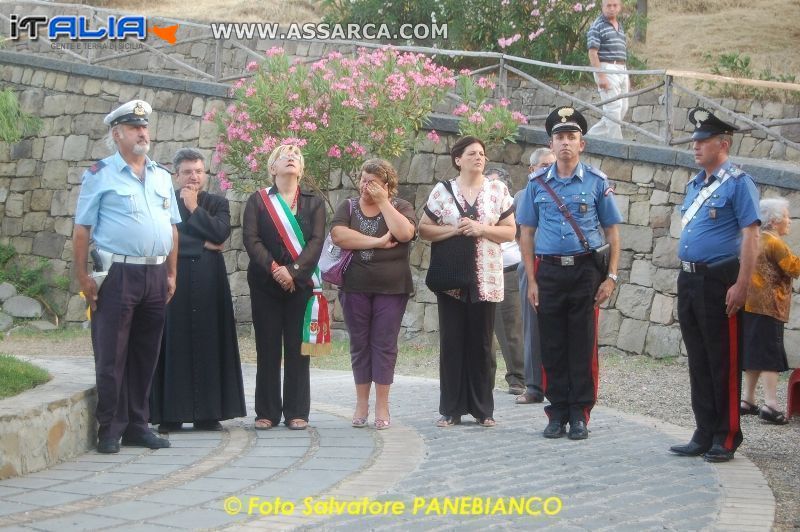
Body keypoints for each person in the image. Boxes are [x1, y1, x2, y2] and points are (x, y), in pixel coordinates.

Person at [73, 100, 180, 453]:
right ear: (117, 134)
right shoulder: (99, 174)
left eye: (145, 127)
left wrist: (171, 272)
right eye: (135, 128)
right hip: (117, 273)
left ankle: (137, 423)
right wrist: (82, 276)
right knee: (111, 353)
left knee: (145, 353)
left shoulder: (162, 175)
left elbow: (172, 228)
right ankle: (109, 428)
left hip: (154, 272)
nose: (143, 133)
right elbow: (82, 229)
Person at [517, 107, 623, 440]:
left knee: (582, 344)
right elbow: (527, 234)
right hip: (548, 271)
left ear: (582, 144)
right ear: (551, 142)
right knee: (552, 344)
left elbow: (612, 232)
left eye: (571, 137)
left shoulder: (596, 182)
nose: (565, 143)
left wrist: (612, 277)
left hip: (584, 272)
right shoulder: (536, 185)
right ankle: (556, 412)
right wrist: (531, 280)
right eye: (560, 137)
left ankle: (579, 413)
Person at [669, 107, 760, 463]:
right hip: (690, 278)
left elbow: (751, 235)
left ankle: (726, 434)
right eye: (695, 141)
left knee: (723, 359)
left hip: (719, 281)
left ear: (723, 144)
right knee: (699, 359)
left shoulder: (738, 183)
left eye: (703, 141)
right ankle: (703, 430)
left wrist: (742, 284)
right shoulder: (695, 184)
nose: (696, 147)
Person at [419, 136, 516, 428]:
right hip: (452, 276)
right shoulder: (442, 191)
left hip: (486, 277)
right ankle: (451, 408)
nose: (479, 157)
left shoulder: (498, 190)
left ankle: (483, 409)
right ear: (458, 159)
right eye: (472, 153)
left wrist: (480, 228)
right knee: (452, 341)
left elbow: (510, 232)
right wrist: (455, 230)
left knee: (482, 343)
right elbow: (423, 228)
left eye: (482, 154)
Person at [149, 148, 247, 433]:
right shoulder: (164, 202)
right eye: (188, 172)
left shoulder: (217, 203)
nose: (194, 176)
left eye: (199, 171)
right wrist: (200, 244)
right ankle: (170, 414)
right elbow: (163, 238)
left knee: (210, 341)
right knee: (172, 343)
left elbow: (219, 234)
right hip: (172, 281)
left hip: (209, 284)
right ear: (176, 175)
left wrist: (193, 208)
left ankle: (209, 413)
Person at [243, 144, 325, 431]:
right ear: (272, 167)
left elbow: (316, 242)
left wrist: (293, 272)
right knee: (267, 347)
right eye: (284, 155)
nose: (291, 158)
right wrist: (276, 269)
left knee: (296, 348)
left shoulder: (314, 203)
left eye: (296, 156)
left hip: (299, 285)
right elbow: (251, 240)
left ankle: (296, 411)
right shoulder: (257, 201)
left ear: (301, 170)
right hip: (266, 283)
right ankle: (266, 411)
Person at [330, 159, 417, 430]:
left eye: (372, 183)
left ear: (387, 186)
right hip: (355, 286)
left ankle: (382, 405)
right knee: (359, 344)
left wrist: (383, 203)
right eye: (363, 180)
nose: (365, 186)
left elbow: (405, 233)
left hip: (391, 289)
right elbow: (339, 236)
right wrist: (378, 242)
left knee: (384, 345)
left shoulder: (400, 207)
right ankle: (361, 403)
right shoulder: (349, 206)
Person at [741, 198, 799, 425]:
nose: (789, 221)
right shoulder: (775, 243)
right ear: (774, 221)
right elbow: (794, 268)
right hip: (769, 306)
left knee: (754, 353)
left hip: (751, 305)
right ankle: (771, 405)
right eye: (786, 216)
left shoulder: (755, 239)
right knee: (769, 356)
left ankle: (748, 400)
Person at [515, 148, 556, 405]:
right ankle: (533, 385)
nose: (547, 170)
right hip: (532, 264)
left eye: (551, 165)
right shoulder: (523, 194)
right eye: (543, 165)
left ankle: (558, 385)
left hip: (561, 266)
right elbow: (521, 234)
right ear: (532, 169)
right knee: (532, 327)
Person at [484, 166, 526, 396]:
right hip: (481, 270)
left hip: (508, 270)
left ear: (505, 187)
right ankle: (483, 380)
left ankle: (518, 377)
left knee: (511, 329)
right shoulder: (478, 204)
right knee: (482, 330)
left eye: (493, 184)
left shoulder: (514, 206)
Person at [586, 0, 630, 140]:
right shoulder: (597, 26)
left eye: (615, 5)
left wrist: (626, 75)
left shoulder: (620, 26)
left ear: (619, 7)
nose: (612, 8)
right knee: (613, 109)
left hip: (621, 69)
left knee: (623, 107)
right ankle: (617, 144)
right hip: (606, 67)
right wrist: (601, 76)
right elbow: (592, 53)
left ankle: (590, 138)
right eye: (608, 5)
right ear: (602, 7)